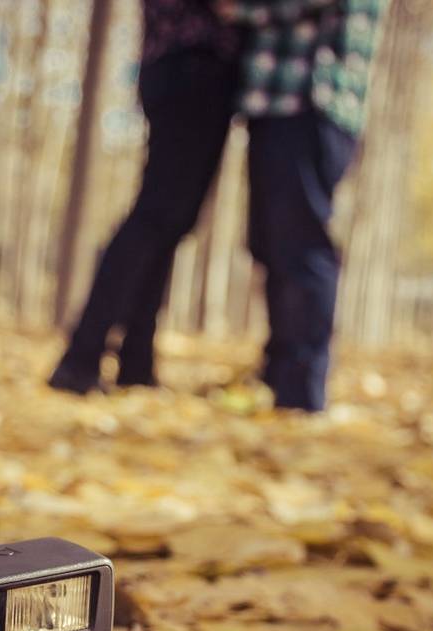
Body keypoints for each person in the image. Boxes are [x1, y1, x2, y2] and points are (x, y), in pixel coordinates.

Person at [49, 0, 241, 393]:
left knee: (170, 222)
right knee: (157, 216)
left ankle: (134, 363)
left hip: (184, 62)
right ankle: (82, 357)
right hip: (192, 62)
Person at [218, 0, 385, 410]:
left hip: (313, 99)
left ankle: (304, 392)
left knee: (303, 246)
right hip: (277, 103)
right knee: (272, 245)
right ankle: (280, 377)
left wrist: (237, 9)